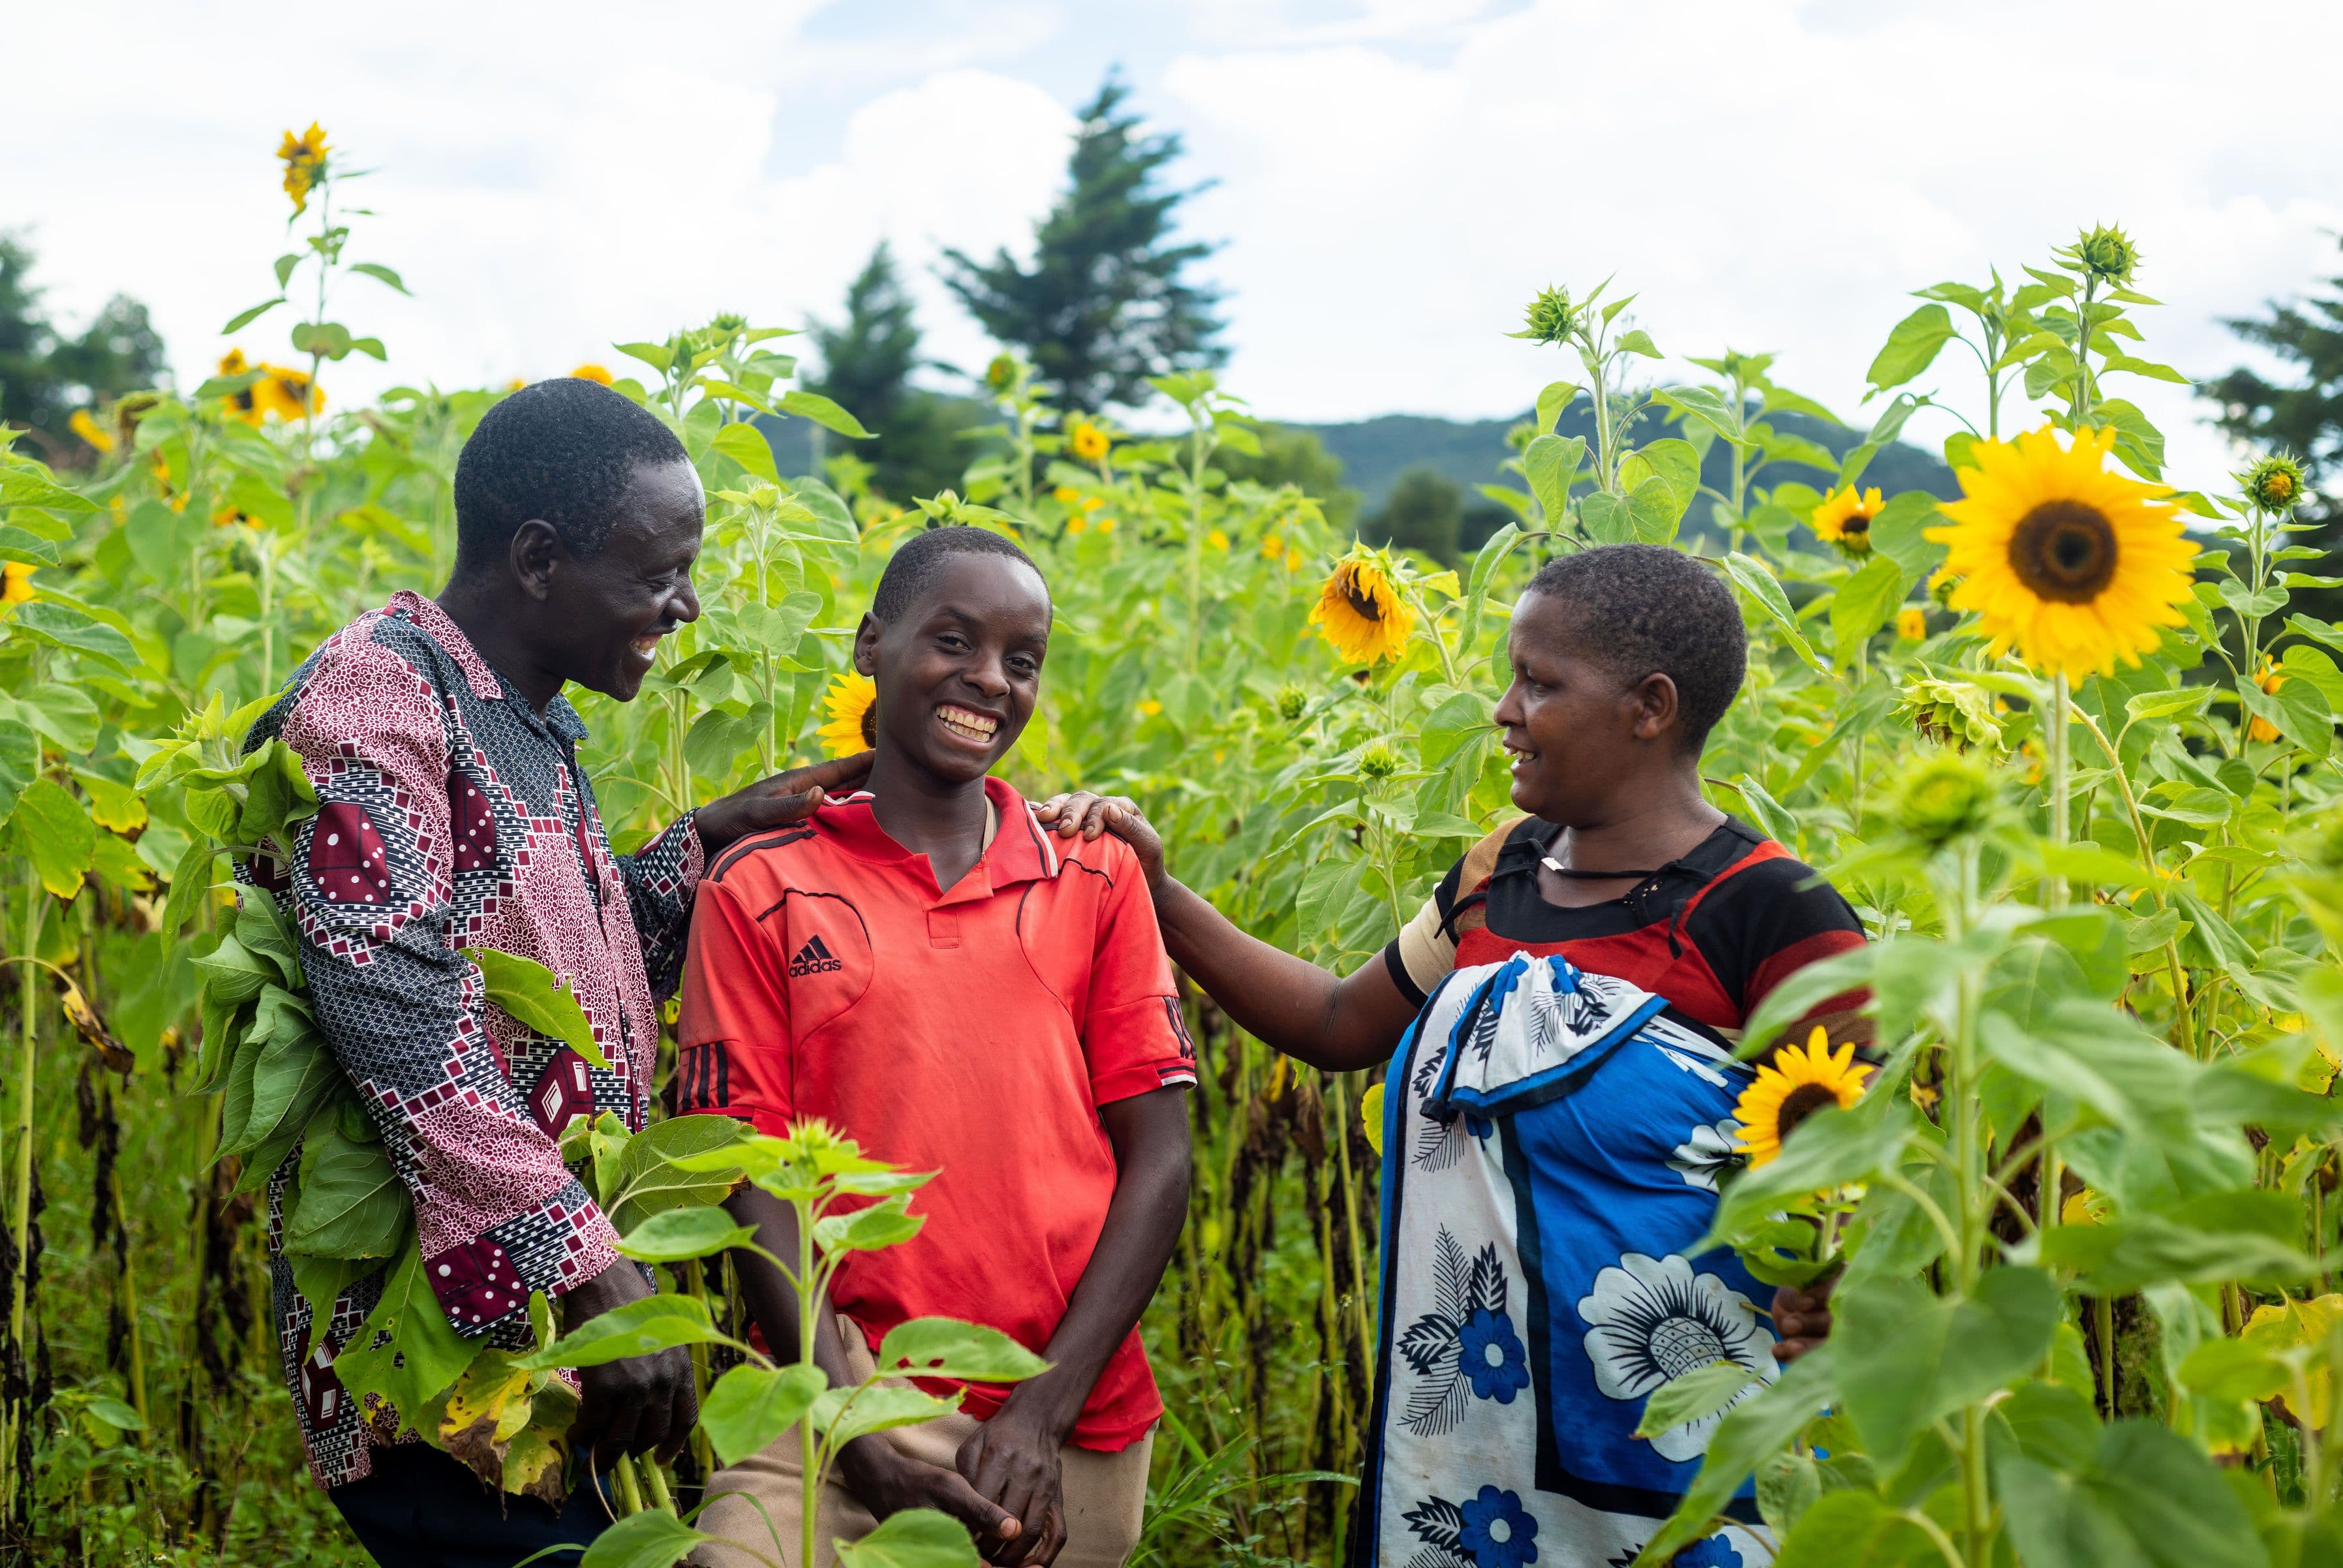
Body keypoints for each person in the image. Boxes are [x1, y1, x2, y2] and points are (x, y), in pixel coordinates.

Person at [1037, 543, 1867, 1567]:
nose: (1505, 710)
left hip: (1684, 1447)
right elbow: (1342, 1024)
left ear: (1650, 707)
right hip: (1479, 1451)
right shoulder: (1498, 874)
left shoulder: (1770, 914)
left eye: (1540, 682)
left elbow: (1865, 1161)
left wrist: (1835, 1278)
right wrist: (1157, 891)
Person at [239, 377, 870, 1567]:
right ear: (537, 559)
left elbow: (553, 962)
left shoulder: (509, 709)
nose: (684, 606)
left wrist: (715, 839)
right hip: (443, 1370)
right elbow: (396, 1000)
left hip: (535, 1350)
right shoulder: (379, 699)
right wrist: (581, 1264)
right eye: (657, 573)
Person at [673, 526, 1197, 1568]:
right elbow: (751, 1178)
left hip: (1066, 1405)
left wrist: (1042, 1415)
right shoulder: (759, 886)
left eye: (1022, 659)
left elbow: (1162, 1155)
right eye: (953, 641)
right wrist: (849, 1429)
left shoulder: (1091, 877)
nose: (989, 681)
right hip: (840, 1389)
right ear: (872, 644)